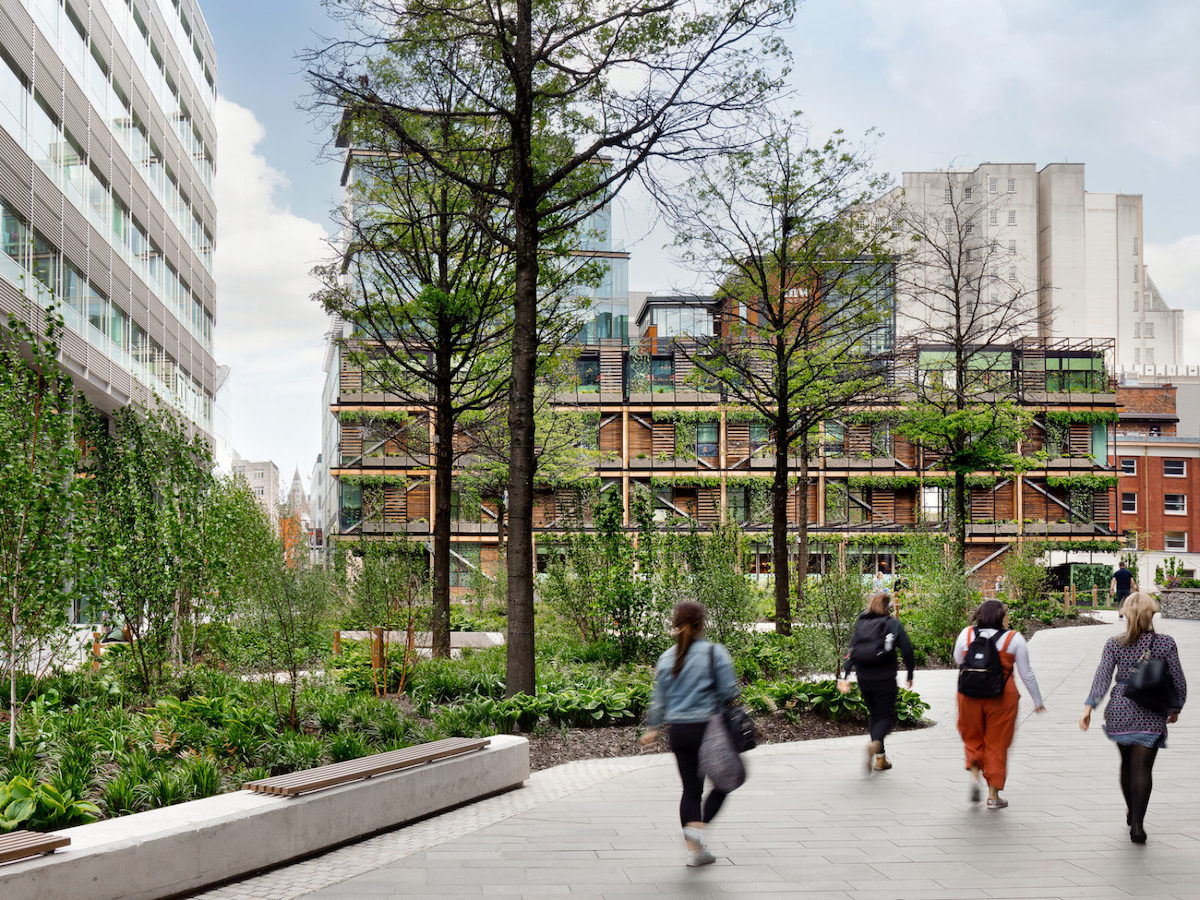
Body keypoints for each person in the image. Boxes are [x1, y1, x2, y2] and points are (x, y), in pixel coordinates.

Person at [1079, 592, 1186, 843]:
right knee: (1143, 768)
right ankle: (1137, 823)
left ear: (1125, 613)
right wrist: (1175, 707)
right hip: (1151, 711)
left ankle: (1131, 811)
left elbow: (1102, 677)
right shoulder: (1165, 643)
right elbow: (1178, 680)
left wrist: (1089, 707)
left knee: (1127, 764)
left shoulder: (1114, 643)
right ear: (1152, 614)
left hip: (1120, 710)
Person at [639, 601, 740, 867]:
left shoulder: (666, 658)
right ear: (701, 624)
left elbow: (659, 700)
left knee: (691, 790)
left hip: (678, 732)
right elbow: (729, 691)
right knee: (727, 781)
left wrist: (652, 729)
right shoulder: (714, 653)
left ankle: (696, 851)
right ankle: (697, 828)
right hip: (709, 729)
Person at [953, 599, 1046, 809]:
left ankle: (976, 776)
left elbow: (959, 659)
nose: (1008, 617)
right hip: (1002, 696)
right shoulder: (1014, 639)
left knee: (972, 737)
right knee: (997, 743)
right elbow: (1026, 673)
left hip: (969, 694)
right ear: (999, 616)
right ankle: (993, 796)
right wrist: (1037, 700)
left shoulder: (966, 634)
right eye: (1006, 614)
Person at [838, 591, 915, 773]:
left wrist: (846, 675)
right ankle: (875, 744)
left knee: (874, 714)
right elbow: (907, 648)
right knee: (887, 716)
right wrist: (910, 673)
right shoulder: (892, 624)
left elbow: (852, 649)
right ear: (888, 607)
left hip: (864, 677)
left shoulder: (862, 623)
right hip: (885, 678)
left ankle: (881, 759)